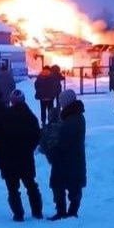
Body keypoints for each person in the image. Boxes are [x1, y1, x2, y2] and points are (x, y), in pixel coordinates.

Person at [0, 89, 43, 222]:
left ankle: (18, 214)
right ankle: (37, 211)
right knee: (31, 185)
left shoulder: (4, 117)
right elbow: (37, 135)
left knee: (12, 189)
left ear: (11, 101)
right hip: (25, 158)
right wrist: (29, 148)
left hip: (8, 159)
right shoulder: (30, 116)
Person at [46, 88, 86, 220]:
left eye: (62, 102)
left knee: (67, 184)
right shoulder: (72, 116)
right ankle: (65, 211)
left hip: (69, 157)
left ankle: (69, 211)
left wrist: (53, 149)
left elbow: (65, 139)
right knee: (64, 184)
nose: (60, 104)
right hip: (71, 157)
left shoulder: (72, 119)